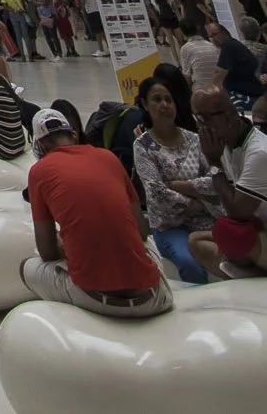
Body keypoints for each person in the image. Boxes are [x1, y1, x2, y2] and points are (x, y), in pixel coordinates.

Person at [21, 108, 172, 317]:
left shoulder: (39, 172)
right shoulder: (108, 157)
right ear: (73, 134)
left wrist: (66, 244)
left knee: (27, 267)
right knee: (146, 243)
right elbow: (141, 231)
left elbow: (47, 252)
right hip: (151, 298)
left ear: (40, 144)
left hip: (95, 298)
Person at [132, 75, 215, 284]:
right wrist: (197, 203)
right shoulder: (143, 146)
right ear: (145, 104)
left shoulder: (194, 139)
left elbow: (214, 180)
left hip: (207, 219)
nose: (164, 105)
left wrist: (176, 185)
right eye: (157, 99)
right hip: (171, 226)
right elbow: (157, 194)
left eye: (168, 99)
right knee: (189, 263)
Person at [189, 85, 267, 275]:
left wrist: (214, 163)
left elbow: (237, 212)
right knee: (196, 241)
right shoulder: (224, 143)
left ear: (229, 115)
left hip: (257, 227)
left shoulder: (259, 152)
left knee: (230, 232)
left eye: (205, 119)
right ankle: (252, 275)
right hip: (258, 228)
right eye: (197, 118)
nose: (201, 126)